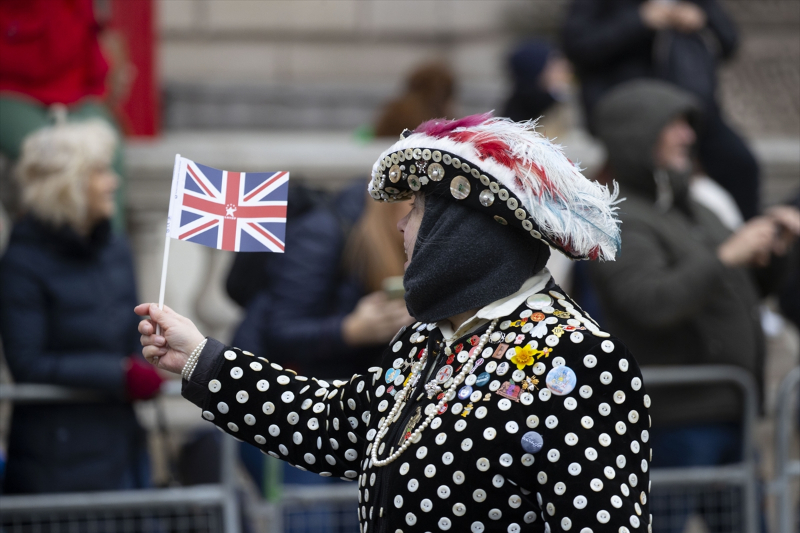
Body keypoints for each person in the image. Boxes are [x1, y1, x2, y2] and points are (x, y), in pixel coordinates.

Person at [138, 113, 654, 532]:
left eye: (415, 212)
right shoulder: (426, 338)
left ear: (462, 232)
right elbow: (332, 426)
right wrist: (200, 359)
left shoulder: (580, 360)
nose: (402, 229)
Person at [586, 80, 799, 532]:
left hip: (729, 412)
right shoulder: (617, 219)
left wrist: (777, 250)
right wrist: (725, 255)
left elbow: (740, 290)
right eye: (674, 124)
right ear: (637, 134)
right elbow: (651, 302)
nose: (688, 135)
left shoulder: (694, 208)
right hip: (673, 423)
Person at [0, 120, 161, 492]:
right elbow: (27, 362)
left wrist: (149, 350)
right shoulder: (22, 262)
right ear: (69, 184)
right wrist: (118, 374)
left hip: (124, 446)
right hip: (57, 458)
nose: (113, 183)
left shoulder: (115, 247)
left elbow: (127, 335)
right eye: (101, 171)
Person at [561, 0, 761, 220]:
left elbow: (729, 40)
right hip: (631, 110)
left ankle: (750, 243)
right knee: (648, 182)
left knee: (741, 164)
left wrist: (702, 18)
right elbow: (577, 44)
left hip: (693, 108)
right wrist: (639, 20)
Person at [0, 0, 128, 231]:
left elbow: (87, 39)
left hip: (72, 91)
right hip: (12, 90)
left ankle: (109, 249)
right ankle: (58, 249)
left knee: (108, 143)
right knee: (52, 151)